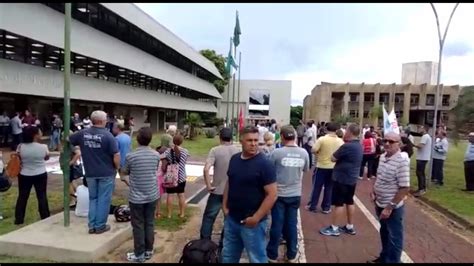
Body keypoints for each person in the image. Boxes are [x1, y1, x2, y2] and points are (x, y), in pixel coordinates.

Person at [221, 125, 277, 263]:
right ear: (241, 141)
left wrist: (256, 218)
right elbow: (230, 182)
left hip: (253, 223)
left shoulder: (265, 164)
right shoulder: (234, 159)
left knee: (257, 258)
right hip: (232, 219)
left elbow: (272, 194)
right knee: (228, 256)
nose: (253, 144)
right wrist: (224, 206)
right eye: (249, 140)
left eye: (256, 140)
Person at [69, 110, 120, 234]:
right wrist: (116, 168)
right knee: (104, 199)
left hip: (90, 172)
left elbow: (68, 139)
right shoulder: (108, 136)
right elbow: (116, 155)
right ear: (103, 121)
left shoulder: (82, 133)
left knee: (93, 199)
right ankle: (100, 225)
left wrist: (77, 149)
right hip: (106, 172)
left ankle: (92, 225)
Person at [266, 125, 309, 263]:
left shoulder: (276, 153)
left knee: (276, 224)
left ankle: (272, 254)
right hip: (295, 193)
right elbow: (306, 169)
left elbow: (269, 170)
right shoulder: (304, 153)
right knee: (291, 223)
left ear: (282, 137)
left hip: (278, 194)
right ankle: (291, 254)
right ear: (295, 137)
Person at [368, 132, 410, 263]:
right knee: (384, 232)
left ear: (399, 144)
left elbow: (404, 187)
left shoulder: (401, 162)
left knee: (394, 236)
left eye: (391, 142)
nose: (387, 143)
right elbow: (379, 176)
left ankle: (392, 261)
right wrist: (373, 190)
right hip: (379, 202)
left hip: (392, 207)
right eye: (385, 141)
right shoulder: (382, 157)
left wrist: (389, 207)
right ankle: (384, 257)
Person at [121, 127, 160, 263]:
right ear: (150, 139)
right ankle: (149, 250)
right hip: (152, 194)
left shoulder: (130, 156)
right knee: (149, 222)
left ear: (137, 139)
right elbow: (154, 171)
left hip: (136, 197)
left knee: (138, 225)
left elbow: (124, 173)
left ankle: (139, 254)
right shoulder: (156, 155)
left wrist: (128, 182)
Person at [319, 124, 363, 236]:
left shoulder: (347, 146)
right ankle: (350, 226)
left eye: (347, 130)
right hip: (352, 178)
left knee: (339, 204)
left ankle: (334, 228)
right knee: (349, 201)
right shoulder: (359, 145)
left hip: (342, 178)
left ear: (350, 132)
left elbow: (333, 158)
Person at [200, 128, 239, 250]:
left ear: (220, 137)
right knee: (229, 218)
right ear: (231, 138)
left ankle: (205, 242)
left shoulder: (215, 150)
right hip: (232, 191)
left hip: (217, 190)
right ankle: (224, 243)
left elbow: (206, 169)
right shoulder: (237, 151)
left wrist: (208, 185)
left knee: (209, 217)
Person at [14, 126, 50, 225]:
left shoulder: (20, 146)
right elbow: (46, 158)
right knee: (42, 196)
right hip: (40, 173)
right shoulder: (43, 147)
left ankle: (19, 219)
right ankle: (45, 216)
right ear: (35, 135)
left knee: (22, 196)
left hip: (25, 174)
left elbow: (19, 158)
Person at [306, 122, 344, 213]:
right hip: (333, 167)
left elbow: (313, 149)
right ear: (336, 130)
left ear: (326, 129)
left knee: (317, 187)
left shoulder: (322, 139)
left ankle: (313, 206)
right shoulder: (340, 141)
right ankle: (326, 207)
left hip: (321, 166)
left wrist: (318, 154)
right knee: (329, 187)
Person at [161, 134, 189, 219]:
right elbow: (184, 162)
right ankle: (182, 213)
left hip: (170, 175)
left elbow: (161, 157)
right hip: (181, 176)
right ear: (182, 141)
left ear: (173, 141)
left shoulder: (168, 151)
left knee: (170, 195)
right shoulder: (185, 151)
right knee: (181, 195)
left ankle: (169, 214)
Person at [155, 134, 173, 218]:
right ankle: (157, 212)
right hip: (160, 177)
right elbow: (164, 167)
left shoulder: (157, 150)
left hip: (153, 175)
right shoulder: (167, 152)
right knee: (158, 197)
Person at [414, 125, 432, 197]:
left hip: (422, 158)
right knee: (421, 173)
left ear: (424, 129)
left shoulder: (425, 136)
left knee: (420, 173)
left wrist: (413, 144)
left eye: (420, 128)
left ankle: (421, 189)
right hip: (423, 157)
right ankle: (421, 188)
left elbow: (421, 146)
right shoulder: (427, 136)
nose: (418, 129)